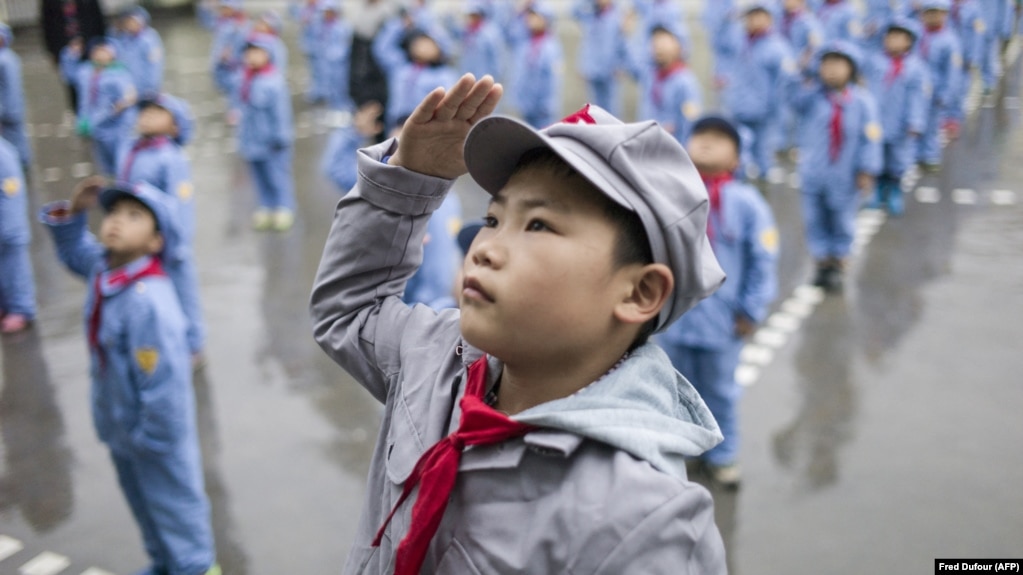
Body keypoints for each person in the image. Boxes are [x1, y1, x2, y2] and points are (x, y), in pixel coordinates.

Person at [310, 74, 728, 574]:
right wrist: (410, 180)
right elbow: (350, 308)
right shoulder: (436, 358)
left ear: (639, 292)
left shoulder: (644, 523)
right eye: (492, 220)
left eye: (538, 225)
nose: (484, 249)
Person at [38, 179, 219, 575]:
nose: (117, 221)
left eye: (134, 215)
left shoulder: (149, 301)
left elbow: (165, 385)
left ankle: (195, 567)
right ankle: (162, 562)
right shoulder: (107, 269)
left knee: (174, 507)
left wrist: (152, 439)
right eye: (114, 212)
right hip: (122, 426)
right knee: (143, 505)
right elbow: (73, 252)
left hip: (156, 436)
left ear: (156, 242)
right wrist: (74, 212)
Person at [659, 115, 778, 489]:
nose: (707, 143)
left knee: (719, 393)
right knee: (670, 389)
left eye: (719, 140)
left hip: (722, 322)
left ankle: (722, 456)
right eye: (700, 137)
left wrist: (751, 309)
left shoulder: (747, 203)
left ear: (737, 159)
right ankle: (681, 452)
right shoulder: (669, 195)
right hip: (672, 321)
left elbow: (763, 259)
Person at [116, 94, 206, 361]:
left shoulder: (171, 158)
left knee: (182, 291)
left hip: (168, 241)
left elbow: (181, 204)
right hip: (141, 240)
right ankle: (160, 341)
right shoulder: (131, 148)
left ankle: (193, 344)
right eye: (144, 112)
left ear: (175, 126)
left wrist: (177, 243)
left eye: (157, 113)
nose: (147, 117)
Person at [791, 41, 882, 292]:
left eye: (838, 64)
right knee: (814, 219)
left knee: (842, 220)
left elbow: (870, 137)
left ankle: (839, 263)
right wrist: (802, 70)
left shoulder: (862, 102)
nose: (831, 70)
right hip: (813, 173)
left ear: (851, 69)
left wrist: (867, 169)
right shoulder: (812, 98)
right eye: (826, 64)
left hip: (845, 175)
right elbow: (792, 98)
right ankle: (821, 262)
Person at [716, 3, 798, 179]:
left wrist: (778, 109)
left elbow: (785, 81)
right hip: (739, 107)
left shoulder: (777, 46)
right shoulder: (740, 40)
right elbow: (720, 43)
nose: (754, 21)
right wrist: (727, 20)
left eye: (759, 16)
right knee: (738, 154)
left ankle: (763, 191)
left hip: (763, 111)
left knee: (763, 157)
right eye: (751, 17)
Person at [863, 19, 930, 216]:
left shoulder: (915, 68)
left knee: (898, 158)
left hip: (900, 124)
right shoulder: (875, 61)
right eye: (890, 36)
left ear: (909, 42)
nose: (893, 41)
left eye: (899, 37)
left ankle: (893, 190)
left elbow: (918, 96)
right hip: (876, 121)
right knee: (875, 156)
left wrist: (915, 120)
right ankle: (876, 190)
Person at [237, 36, 295, 231]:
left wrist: (281, 137)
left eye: (257, 52)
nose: (251, 57)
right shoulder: (246, 78)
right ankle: (266, 207)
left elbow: (281, 113)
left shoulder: (273, 81)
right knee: (259, 176)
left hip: (271, 142)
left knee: (277, 176)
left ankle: (284, 208)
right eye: (249, 52)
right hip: (251, 141)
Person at [63, 36, 137, 176]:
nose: (100, 55)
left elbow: (129, 96)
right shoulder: (85, 71)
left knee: (122, 162)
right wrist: (70, 55)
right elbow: (68, 74)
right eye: (97, 51)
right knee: (104, 166)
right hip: (95, 125)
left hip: (117, 126)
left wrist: (118, 108)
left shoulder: (119, 72)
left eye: (105, 51)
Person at [373, 22, 459, 130]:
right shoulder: (401, 66)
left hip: (424, 128)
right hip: (395, 125)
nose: (421, 45)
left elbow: (446, 105)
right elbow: (381, 50)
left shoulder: (443, 75)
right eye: (420, 40)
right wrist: (400, 25)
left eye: (429, 42)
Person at [628, 24, 701, 144]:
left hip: (671, 152)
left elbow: (690, 124)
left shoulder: (685, 82)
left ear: (679, 47)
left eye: (664, 42)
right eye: (655, 42)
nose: (658, 47)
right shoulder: (651, 75)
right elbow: (630, 62)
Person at [915, 0, 963, 170]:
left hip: (935, 89)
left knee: (932, 124)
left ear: (945, 15)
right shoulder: (918, 34)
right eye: (929, 13)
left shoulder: (949, 40)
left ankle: (930, 156)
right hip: (916, 88)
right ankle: (916, 154)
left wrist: (946, 94)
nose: (933, 17)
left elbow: (952, 72)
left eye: (937, 13)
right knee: (917, 121)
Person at [41, 0, 107, 112]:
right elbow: (48, 25)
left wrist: (99, 44)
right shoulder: (50, 3)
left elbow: (97, 19)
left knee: (95, 82)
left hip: (90, 47)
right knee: (72, 85)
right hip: (65, 50)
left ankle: (97, 114)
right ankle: (80, 116)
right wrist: (53, 51)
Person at [0, 134, 34, 334]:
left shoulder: (4, 154)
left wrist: (8, 231)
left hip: (8, 231)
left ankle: (22, 309)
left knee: (15, 270)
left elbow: (11, 194)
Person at [511, 2, 563, 128]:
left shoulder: (551, 46)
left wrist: (548, 105)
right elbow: (511, 32)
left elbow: (554, 79)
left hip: (543, 109)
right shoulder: (525, 42)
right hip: (527, 104)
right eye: (530, 16)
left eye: (536, 17)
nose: (531, 20)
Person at [572, 0, 627, 116]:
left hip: (610, 71)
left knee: (611, 111)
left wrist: (621, 64)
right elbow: (573, 10)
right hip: (593, 70)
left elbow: (622, 44)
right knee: (593, 110)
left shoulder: (617, 17)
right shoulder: (589, 15)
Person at [0, 24, 32, 170]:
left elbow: (10, 88)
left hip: (9, 109)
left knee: (14, 141)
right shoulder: (9, 57)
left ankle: (20, 166)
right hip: (13, 108)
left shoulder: (4, 60)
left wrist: (6, 110)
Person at [112, 6, 164, 95]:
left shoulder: (149, 39)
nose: (130, 24)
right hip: (129, 88)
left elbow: (155, 64)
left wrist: (151, 87)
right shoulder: (123, 39)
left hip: (146, 89)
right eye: (127, 21)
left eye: (133, 21)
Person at [450, 0, 505, 84]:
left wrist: (494, 78)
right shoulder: (468, 30)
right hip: (468, 75)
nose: (469, 18)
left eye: (472, 15)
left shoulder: (490, 33)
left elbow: (496, 59)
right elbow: (454, 34)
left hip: (484, 77)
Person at [313, 3, 353, 111]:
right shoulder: (321, 26)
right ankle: (333, 108)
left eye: (328, 11)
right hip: (325, 62)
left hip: (339, 64)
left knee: (340, 86)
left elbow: (346, 46)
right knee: (328, 86)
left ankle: (343, 108)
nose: (326, 14)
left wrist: (336, 55)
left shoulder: (342, 27)